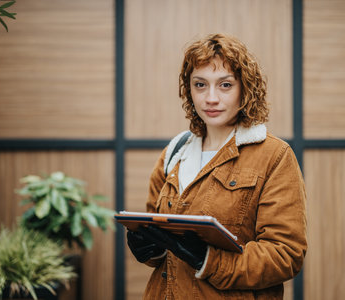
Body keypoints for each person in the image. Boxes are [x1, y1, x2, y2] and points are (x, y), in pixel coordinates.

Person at [126, 33, 307, 299]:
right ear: (189, 89)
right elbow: (162, 244)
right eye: (200, 85)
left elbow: (285, 255)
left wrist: (209, 260)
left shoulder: (274, 156)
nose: (211, 98)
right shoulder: (174, 153)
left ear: (245, 89)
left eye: (225, 85)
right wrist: (151, 249)